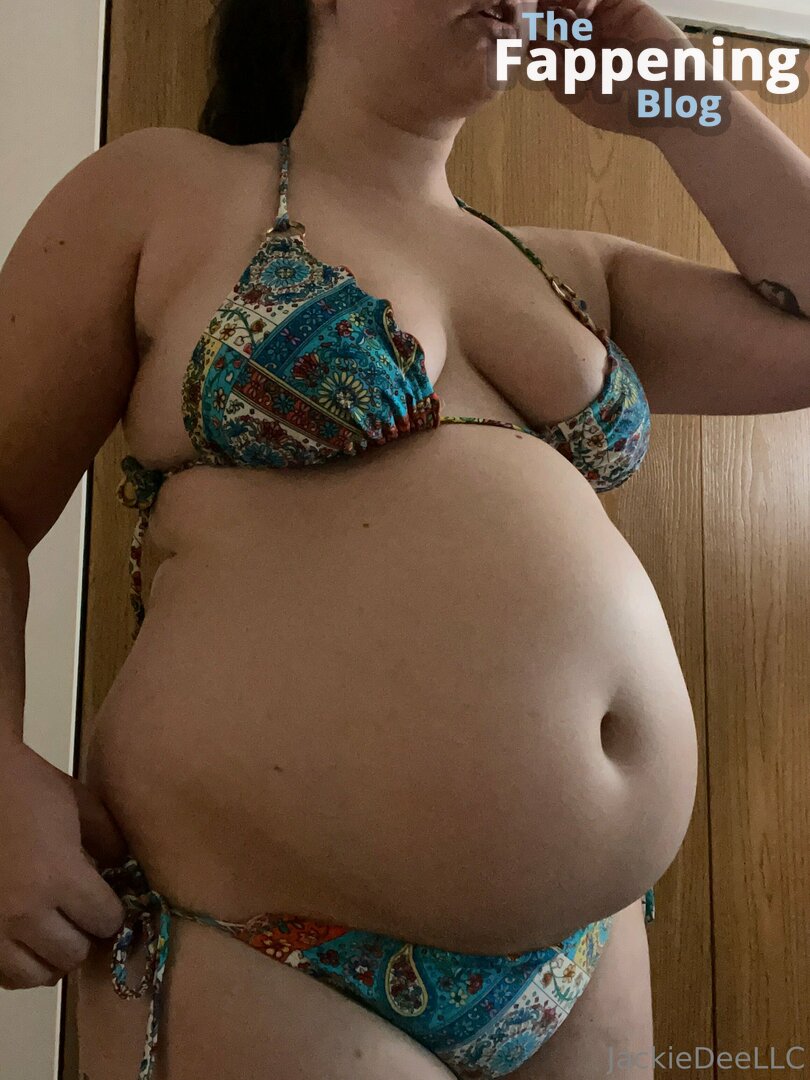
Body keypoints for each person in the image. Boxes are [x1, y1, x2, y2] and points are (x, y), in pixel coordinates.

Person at [11, 0, 808, 1074]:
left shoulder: (574, 272)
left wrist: (670, 90)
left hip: (589, 953)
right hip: (255, 939)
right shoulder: (166, 189)